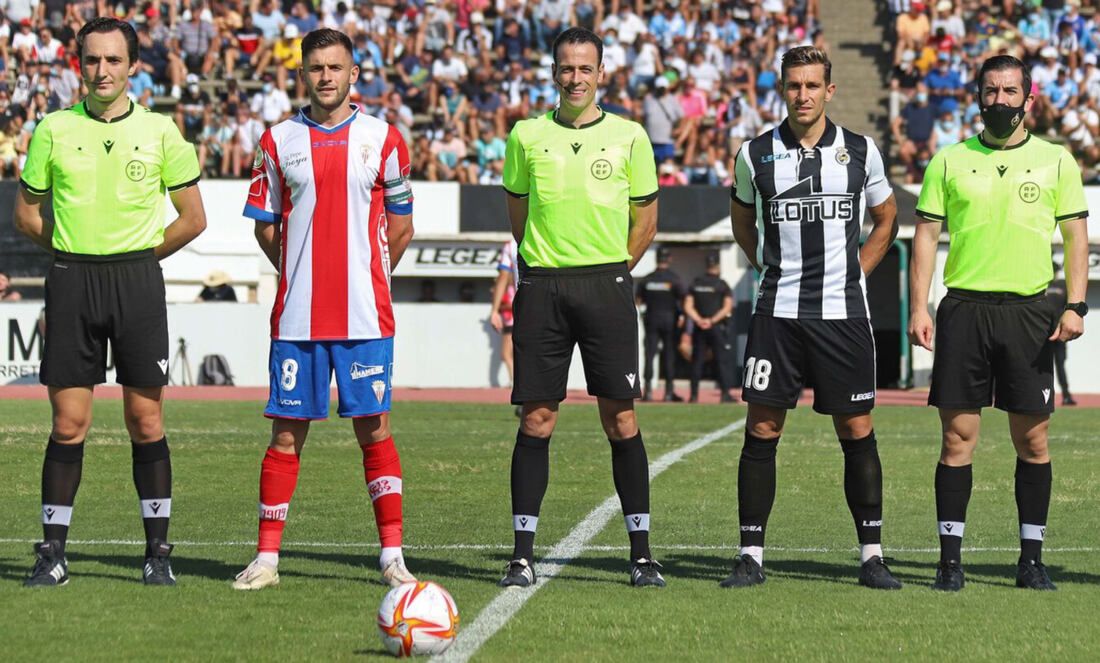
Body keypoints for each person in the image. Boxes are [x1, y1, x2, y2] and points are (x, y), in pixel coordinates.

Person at [13, 17, 206, 587]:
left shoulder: (161, 131)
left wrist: (138, 255)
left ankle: (157, 554)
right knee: (69, 423)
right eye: (92, 60)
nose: (102, 71)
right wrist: (78, 248)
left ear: (132, 66)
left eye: (113, 60)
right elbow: (27, 216)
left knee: (145, 420)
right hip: (73, 279)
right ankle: (53, 554)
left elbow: (193, 219)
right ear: (79, 64)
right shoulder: (52, 129)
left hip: (138, 282)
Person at [232, 28, 416, 591]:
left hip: (365, 317)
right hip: (297, 320)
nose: (326, 77)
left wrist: (370, 278)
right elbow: (267, 230)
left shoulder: (385, 138)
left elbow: (401, 227)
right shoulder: (276, 141)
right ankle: (266, 559)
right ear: (303, 74)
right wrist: (298, 269)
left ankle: (392, 556)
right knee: (285, 436)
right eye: (316, 68)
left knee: (375, 429)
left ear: (354, 73)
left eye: (336, 67)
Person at [910, 55, 1089, 592]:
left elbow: (1077, 236)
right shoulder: (948, 160)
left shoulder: (1057, 161)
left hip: (1030, 312)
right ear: (978, 96)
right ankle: (949, 561)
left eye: (1011, 91)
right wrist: (920, 305)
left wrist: (1075, 305)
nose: (1001, 100)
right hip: (964, 309)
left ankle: (1031, 560)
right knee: (957, 440)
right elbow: (925, 236)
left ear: (1028, 99)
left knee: (1032, 441)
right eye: (991, 91)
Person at [728, 46, 901, 589]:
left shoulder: (860, 150)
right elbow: (741, 221)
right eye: (793, 85)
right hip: (776, 314)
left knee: (856, 428)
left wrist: (856, 272)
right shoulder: (753, 153)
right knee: (762, 428)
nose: (802, 94)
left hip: (842, 315)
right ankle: (750, 556)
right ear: (782, 88)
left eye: (812, 85)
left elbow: (886, 218)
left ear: (829, 90)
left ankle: (872, 556)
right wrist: (768, 267)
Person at [500, 27, 662, 588]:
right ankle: (521, 554)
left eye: (585, 69)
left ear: (601, 74)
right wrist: (542, 266)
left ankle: (641, 555)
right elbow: (518, 216)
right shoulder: (525, 135)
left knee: (620, 419)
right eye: (566, 69)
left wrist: (615, 269)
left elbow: (645, 220)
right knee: (538, 418)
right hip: (543, 287)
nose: (575, 78)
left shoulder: (630, 136)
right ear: (553, 72)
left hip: (606, 287)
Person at [684, 253, 736, 403]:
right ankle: (725, 394)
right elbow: (727, 307)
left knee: (697, 361)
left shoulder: (696, 283)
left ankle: (693, 395)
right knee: (721, 360)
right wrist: (711, 321)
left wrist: (699, 320)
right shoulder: (722, 284)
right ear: (718, 266)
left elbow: (688, 306)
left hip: (700, 327)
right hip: (716, 327)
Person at [635, 246, 684, 402]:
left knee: (649, 354)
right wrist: (682, 317)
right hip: (670, 320)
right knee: (669, 355)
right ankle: (669, 392)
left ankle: (648, 391)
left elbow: (637, 301)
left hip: (651, 319)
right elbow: (684, 300)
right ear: (669, 259)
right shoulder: (674, 279)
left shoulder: (647, 279)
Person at [489, 238, 519, 388]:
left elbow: (502, 277)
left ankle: (516, 381)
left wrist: (496, 309)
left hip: (513, 319)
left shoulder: (511, 246)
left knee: (507, 354)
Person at [1046, 264, 1076, 406]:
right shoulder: (1042, 286)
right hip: (1043, 335)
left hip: (1060, 334)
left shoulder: (1063, 285)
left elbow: (1069, 308)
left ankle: (1066, 395)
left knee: (1060, 364)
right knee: (1042, 368)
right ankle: (1044, 397)